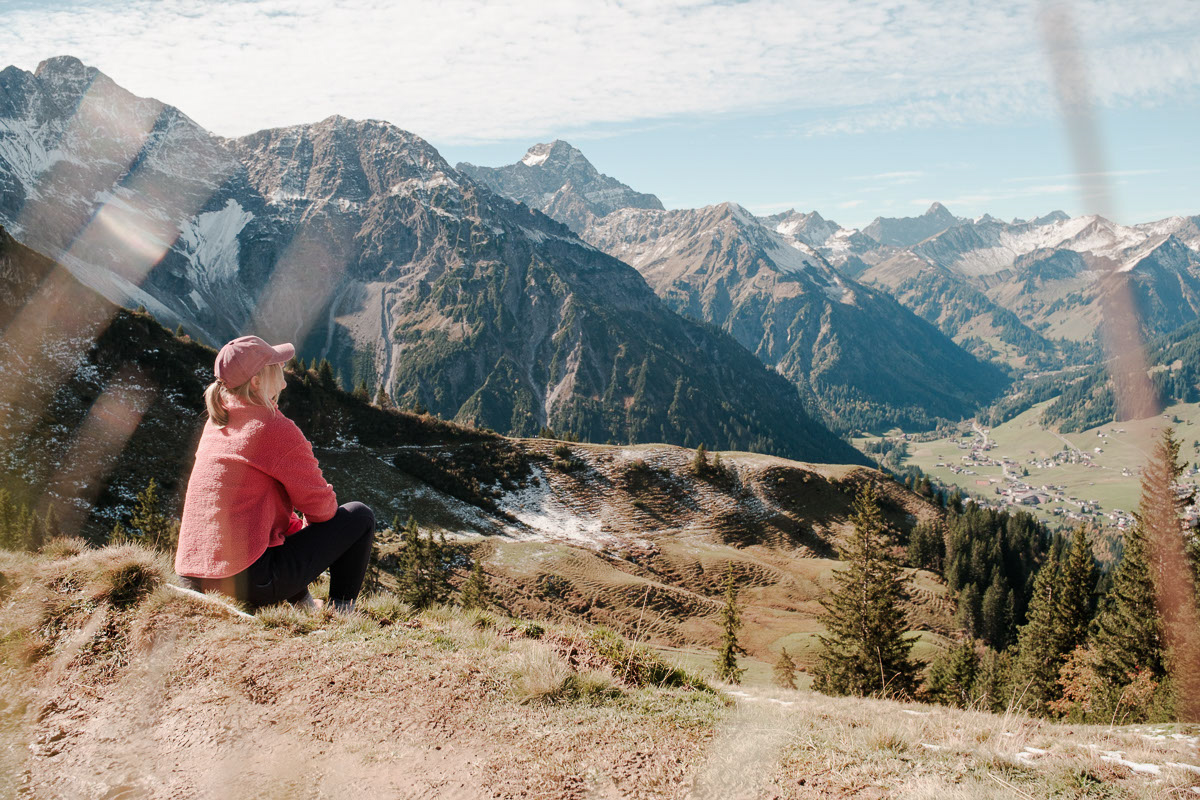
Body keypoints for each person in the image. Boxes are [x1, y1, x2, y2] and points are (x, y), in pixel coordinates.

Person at [174, 335, 375, 612]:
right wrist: (307, 530)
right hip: (247, 582)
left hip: (191, 577)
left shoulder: (217, 422)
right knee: (359, 516)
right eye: (277, 373)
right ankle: (343, 612)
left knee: (277, 537)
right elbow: (322, 510)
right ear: (256, 382)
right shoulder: (273, 428)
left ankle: (305, 606)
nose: (283, 382)